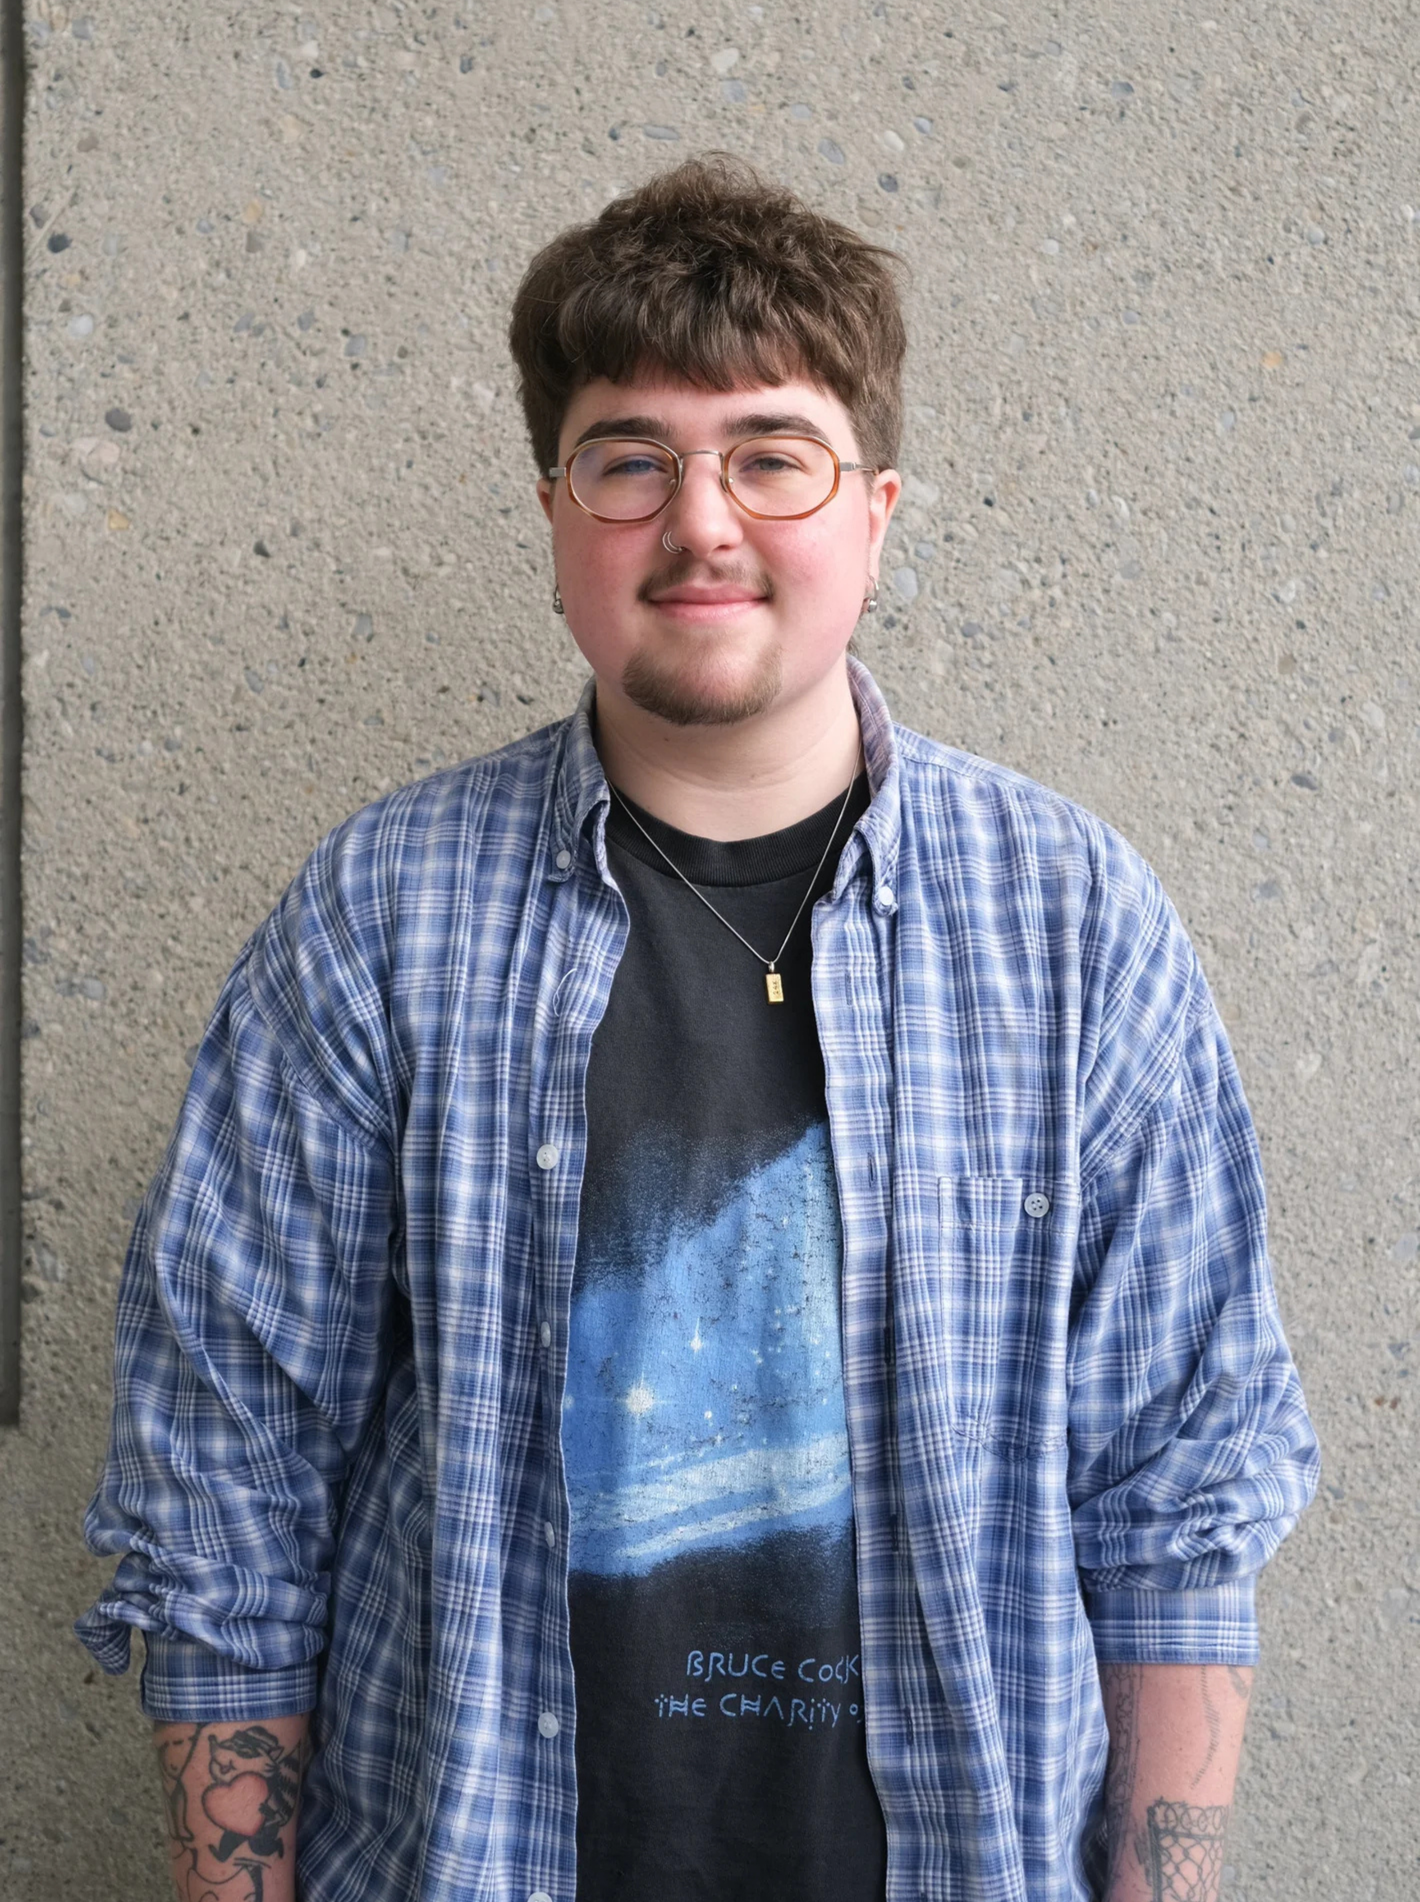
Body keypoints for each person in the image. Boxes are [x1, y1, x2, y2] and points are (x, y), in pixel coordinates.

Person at [78, 155, 1318, 1902]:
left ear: (876, 508)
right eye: (631, 458)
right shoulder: (382, 914)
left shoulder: (1075, 924)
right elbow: (226, 1477)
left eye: (770, 454)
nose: (703, 519)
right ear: (555, 509)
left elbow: (1177, 1493)